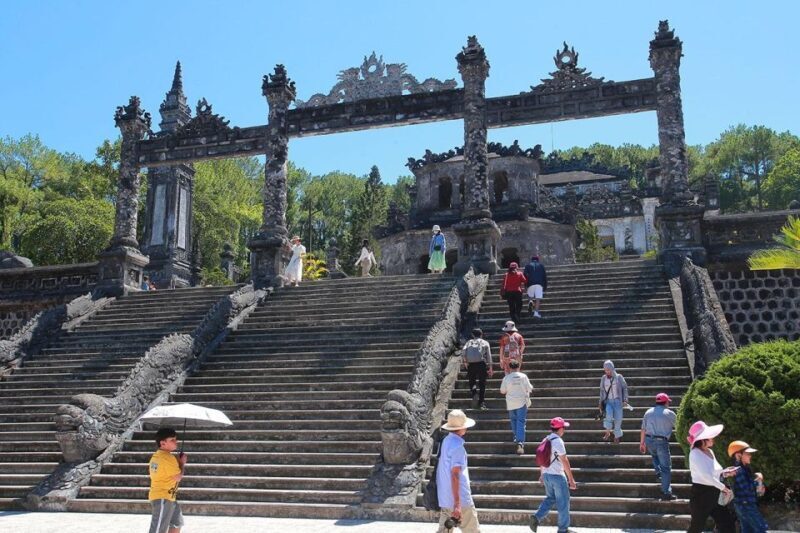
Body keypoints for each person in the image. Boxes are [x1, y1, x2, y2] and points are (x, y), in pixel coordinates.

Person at [687, 421, 738, 533]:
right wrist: (723, 487)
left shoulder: (710, 451)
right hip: (701, 494)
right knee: (696, 526)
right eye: (710, 436)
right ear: (702, 439)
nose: (713, 438)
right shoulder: (695, 453)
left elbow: (714, 473)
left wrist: (725, 472)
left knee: (727, 523)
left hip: (715, 492)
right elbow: (705, 476)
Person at [529, 417, 577, 533]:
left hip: (547, 475)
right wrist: (571, 479)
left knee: (550, 498)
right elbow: (564, 461)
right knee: (563, 502)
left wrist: (542, 474)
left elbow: (542, 459)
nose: (564, 430)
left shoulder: (545, 439)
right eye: (563, 427)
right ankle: (563, 529)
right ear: (559, 429)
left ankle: (536, 517)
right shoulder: (558, 441)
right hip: (557, 476)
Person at [436, 409, 480, 533]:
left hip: (445, 497)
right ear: (462, 428)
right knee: (472, 530)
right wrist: (457, 503)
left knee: (444, 530)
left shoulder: (446, 441)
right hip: (460, 499)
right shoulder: (457, 447)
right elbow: (455, 474)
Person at [148, 428, 188, 533]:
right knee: (157, 529)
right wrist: (182, 463)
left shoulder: (157, 456)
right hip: (163, 497)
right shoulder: (167, 458)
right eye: (172, 440)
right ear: (163, 443)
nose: (176, 442)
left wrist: (178, 462)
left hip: (169, 497)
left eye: (176, 439)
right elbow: (178, 477)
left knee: (177, 523)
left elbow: (171, 473)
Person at [639, 392, 677, 500]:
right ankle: (666, 492)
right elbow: (678, 426)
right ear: (665, 402)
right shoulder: (669, 413)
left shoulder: (648, 412)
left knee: (655, 456)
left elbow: (643, 429)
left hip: (649, 440)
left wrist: (642, 443)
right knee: (666, 468)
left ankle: (658, 472)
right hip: (661, 441)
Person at [728, 440, 768, 533]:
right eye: (747, 454)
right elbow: (747, 489)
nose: (750, 456)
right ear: (738, 455)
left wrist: (759, 482)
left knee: (747, 530)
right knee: (761, 528)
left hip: (744, 504)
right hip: (746, 505)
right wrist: (758, 479)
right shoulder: (739, 470)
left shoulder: (744, 469)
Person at [500, 359, 533, 455]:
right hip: (521, 402)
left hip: (511, 403)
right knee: (521, 421)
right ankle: (520, 441)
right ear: (518, 367)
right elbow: (529, 388)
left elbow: (502, 391)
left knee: (513, 420)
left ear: (510, 367)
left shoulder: (506, 378)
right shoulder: (524, 376)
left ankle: (517, 437)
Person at [462, 328, 493, 410]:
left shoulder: (469, 342)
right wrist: (490, 367)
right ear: (481, 334)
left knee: (472, 381)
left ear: (472, 335)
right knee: (482, 383)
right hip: (481, 364)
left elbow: (463, 351)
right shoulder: (485, 342)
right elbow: (489, 355)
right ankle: (481, 403)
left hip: (471, 365)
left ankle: (474, 392)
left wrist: (465, 362)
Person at [598, 360, 628, 444]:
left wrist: (625, 399)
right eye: (605, 370)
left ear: (612, 368)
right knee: (609, 415)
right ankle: (607, 432)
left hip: (618, 401)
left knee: (618, 419)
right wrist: (600, 402)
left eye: (608, 370)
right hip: (608, 401)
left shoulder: (619, 377)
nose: (607, 371)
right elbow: (602, 391)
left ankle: (617, 436)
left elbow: (624, 388)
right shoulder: (603, 378)